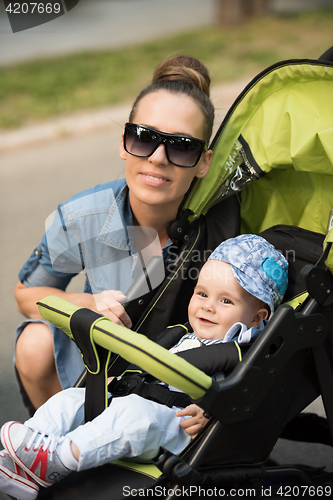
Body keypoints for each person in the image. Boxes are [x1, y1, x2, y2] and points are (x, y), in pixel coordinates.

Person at [13, 55, 239, 414]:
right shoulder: (82, 215)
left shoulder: (231, 225)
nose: (159, 158)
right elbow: (27, 293)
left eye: (181, 146)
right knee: (34, 342)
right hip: (101, 372)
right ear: (123, 142)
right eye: (145, 138)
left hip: (184, 387)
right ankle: (61, 454)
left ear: (204, 162)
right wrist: (86, 305)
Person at [0, 235, 288, 500]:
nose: (208, 306)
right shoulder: (181, 334)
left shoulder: (243, 352)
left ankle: (56, 460)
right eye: (202, 294)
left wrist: (212, 410)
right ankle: (27, 456)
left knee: (134, 416)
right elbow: (145, 366)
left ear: (256, 318)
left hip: (175, 428)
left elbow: (247, 395)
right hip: (137, 401)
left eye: (226, 300)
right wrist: (122, 380)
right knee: (71, 399)